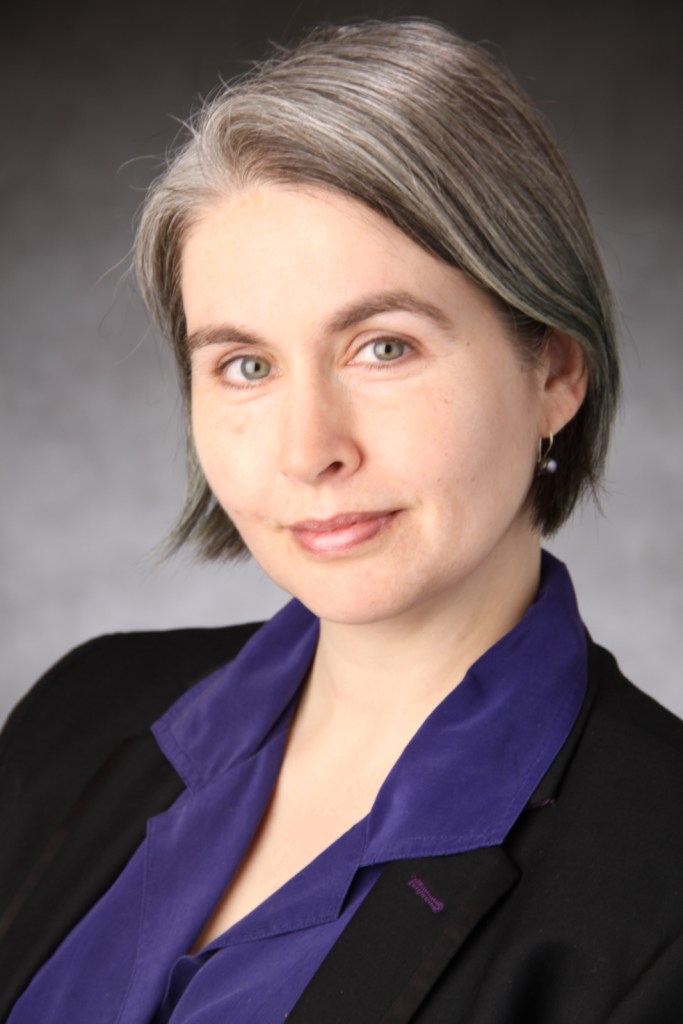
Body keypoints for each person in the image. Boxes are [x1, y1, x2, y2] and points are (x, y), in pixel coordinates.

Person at [1, 17, 682, 1024]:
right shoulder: (77, 710)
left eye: (382, 347)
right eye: (244, 364)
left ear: (553, 369)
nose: (307, 447)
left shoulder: (658, 882)